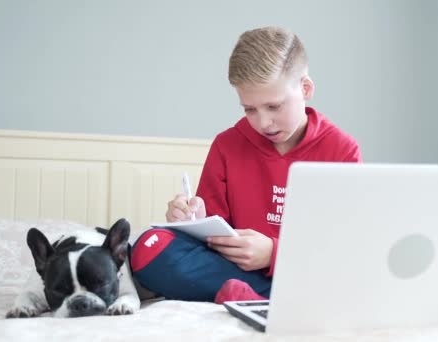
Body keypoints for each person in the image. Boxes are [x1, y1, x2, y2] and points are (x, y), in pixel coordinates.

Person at [130, 26, 361, 304]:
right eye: (249, 109)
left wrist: (274, 254)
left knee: (355, 277)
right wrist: (192, 222)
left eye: (274, 106)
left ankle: (253, 296)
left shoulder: (342, 150)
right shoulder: (227, 145)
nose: (263, 123)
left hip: (306, 273)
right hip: (232, 270)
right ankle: (269, 299)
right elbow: (212, 238)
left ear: (306, 88)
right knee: (148, 246)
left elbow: (345, 247)